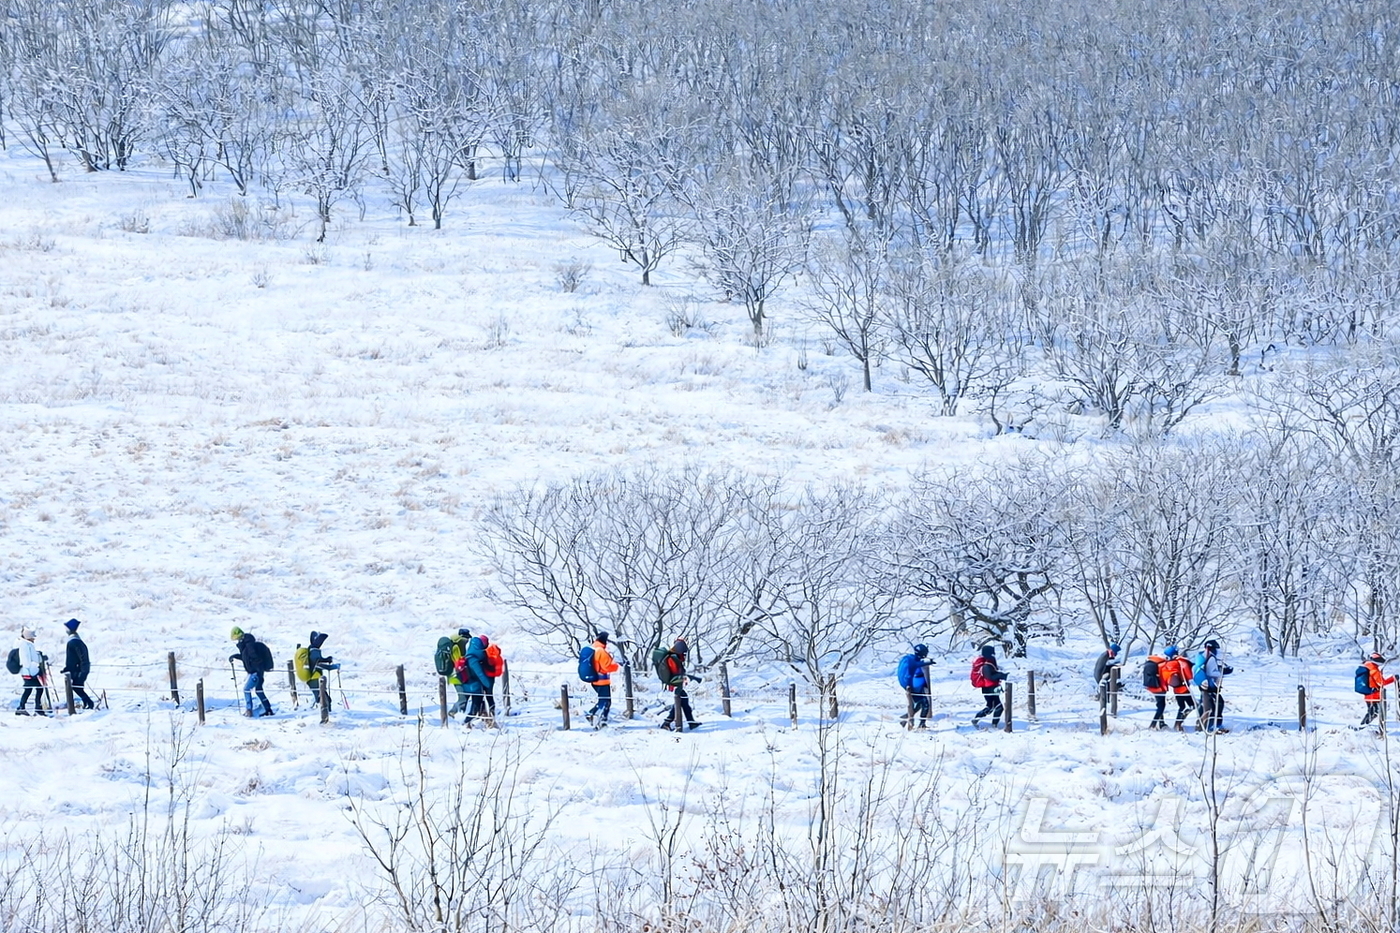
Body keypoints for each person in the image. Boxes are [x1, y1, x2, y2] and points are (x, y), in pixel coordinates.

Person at [653, 636, 699, 731]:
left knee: (683, 700)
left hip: (677, 682)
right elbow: (675, 672)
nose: (684, 654)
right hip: (675, 682)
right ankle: (667, 722)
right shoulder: (672, 658)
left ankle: (691, 722)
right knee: (680, 700)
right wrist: (684, 678)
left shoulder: (675, 656)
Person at [230, 627, 274, 717]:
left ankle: (249, 710)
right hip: (257, 671)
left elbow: (254, 658)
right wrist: (235, 656)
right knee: (259, 690)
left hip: (255, 672)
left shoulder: (249, 646)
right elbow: (246, 657)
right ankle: (268, 709)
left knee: (246, 689)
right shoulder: (248, 645)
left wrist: (257, 670)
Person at [583, 631, 620, 728]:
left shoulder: (593, 649)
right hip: (602, 681)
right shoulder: (601, 651)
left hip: (595, 680)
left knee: (602, 701)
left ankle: (592, 715)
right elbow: (607, 666)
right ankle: (601, 720)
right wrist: (616, 666)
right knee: (606, 702)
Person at [1197, 639, 1233, 734]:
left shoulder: (1203, 656)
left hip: (1204, 684)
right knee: (1216, 705)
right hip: (1210, 685)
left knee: (1205, 705)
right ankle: (1213, 726)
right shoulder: (1211, 658)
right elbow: (1211, 672)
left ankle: (1201, 725)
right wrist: (1222, 672)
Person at [457, 633, 494, 726]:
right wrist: (488, 685)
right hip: (474, 686)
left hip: (470, 685)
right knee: (475, 707)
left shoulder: (469, 655)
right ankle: (465, 723)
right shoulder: (473, 659)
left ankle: (471, 722)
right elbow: (480, 674)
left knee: (476, 705)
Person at [59, 618, 94, 710]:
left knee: (76, 687)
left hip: (79, 669)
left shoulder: (74, 641)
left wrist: (81, 670)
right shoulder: (75, 640)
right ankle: (87, 703)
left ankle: (89, 703)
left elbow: (76, 659)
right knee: (77, 687)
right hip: (79, 669)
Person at [1158, 646, 1195, 731]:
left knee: (1181, 706)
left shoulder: (1166, 665)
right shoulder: (1180, 662)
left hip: (1175, 689)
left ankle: (1177, 724)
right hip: (1184, 688)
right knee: (1192, 706)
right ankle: (1179, 724)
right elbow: (1189, 675)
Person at [970, 645, 1008, 727]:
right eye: (992, 653)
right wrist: (1003, 676)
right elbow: (990, 677)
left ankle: (977, 719)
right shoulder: (986, 665)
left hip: (991, 688)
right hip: (989, 688)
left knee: (991, 707)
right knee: (997, 707)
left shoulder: (989, 662)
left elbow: (992, 674)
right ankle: (993, 724)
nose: (994, 655)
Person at [897, 644, 933, 729]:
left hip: (908, 684)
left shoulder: (908, 658)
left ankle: (907, 717)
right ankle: (921, 724)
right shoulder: (912, 661)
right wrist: (909, 686)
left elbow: (917, 664)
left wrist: (929, 662)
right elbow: (910, 674)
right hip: (911, 685)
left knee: (919, 702)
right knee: (925, 703)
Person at [13, 627, 48, 716]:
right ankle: (37, 708)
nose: (34, 639)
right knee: (39, 688)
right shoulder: (27, 645)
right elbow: (30, 660)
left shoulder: (22, 644)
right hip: (29, 671)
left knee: (28, 689)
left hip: (26, 671)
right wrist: (35, 669)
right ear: (28, 637)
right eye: (32, 637)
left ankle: (22, 707)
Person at [305, 630, 340, 707]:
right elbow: (318, 664)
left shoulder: (313, 650)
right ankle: (324, 716)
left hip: (315, 678)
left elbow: (318, 661)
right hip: (314, 679)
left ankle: (325, 714)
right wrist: (333, 667)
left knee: (323, 698)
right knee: (323, 699)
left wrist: (327, 659)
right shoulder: (314, 651)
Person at [1361, 652, 1395, 727]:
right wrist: (1393, 678)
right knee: (1373, 712)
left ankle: (1363, 726)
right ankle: (1362, 726)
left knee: (1372, 712)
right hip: (1373, 694)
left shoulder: (1368, 667)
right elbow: (1381, 682)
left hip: (1368, 693)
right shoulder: (1374, 669)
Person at [446, 628, 471, 715]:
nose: (468, 640)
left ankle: (455, 712)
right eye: (467, 638)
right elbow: (458, 662)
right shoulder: (457, 646)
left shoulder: (457, 644)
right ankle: (457, 715)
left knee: (466, 695)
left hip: (455, 675)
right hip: (455, 675)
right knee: (463, 698)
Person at [1144, 648, 1170, 730]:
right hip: (1159, 687)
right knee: (1161, 706)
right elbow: (1165, 676)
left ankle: (1161, 723)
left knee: (1160, 704)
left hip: (1152, 686)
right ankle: (1153, 724)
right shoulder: (1162, 664)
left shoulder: (1152, 662)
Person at [1093, 642, 1121, 709]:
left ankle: (1103, 697)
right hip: (1099, 675)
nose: (1116, 655)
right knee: (1107, 686)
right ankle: (1106, 701)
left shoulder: (1105, 654)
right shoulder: (1106, 655)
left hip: (1099, 673)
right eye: (1115, 653)